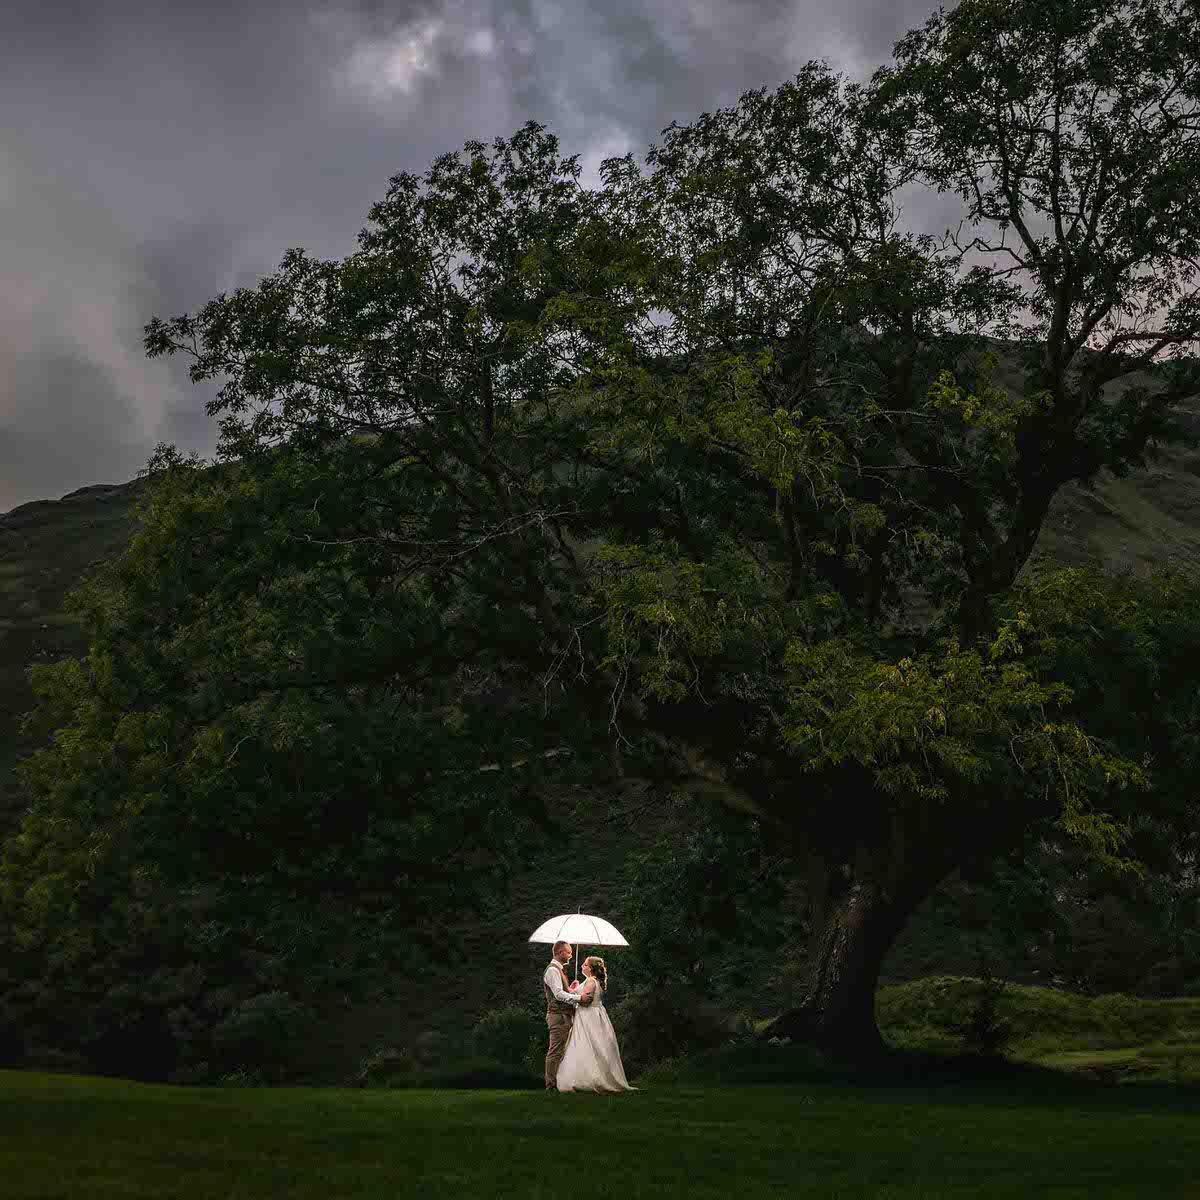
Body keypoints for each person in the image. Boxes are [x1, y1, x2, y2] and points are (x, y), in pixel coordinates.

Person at [555, 954, 637, 1093]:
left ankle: (589, 1078)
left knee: (587, 1044)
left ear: (592, 968)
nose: (582, 966)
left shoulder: (590, 982)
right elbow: (582, 996)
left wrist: (572, 995)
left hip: (588, 1016)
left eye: (585, 964)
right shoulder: (591, 981)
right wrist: (573, 989)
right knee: (592, 1045)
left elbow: (586, 1000)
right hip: (592, 1015)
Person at [543, 940, 590, 1090]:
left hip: (564, 1015)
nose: (571, 955)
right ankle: (551, 1086)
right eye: (569, 952)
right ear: (560, 952)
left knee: (561, 1051)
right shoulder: (552, 970)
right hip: (558, 1016)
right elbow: (557, 994)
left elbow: (561, 991)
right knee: (555, 1051)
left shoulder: (558, 970)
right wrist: (578, 998)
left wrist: (571, 989)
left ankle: (558, 1083)